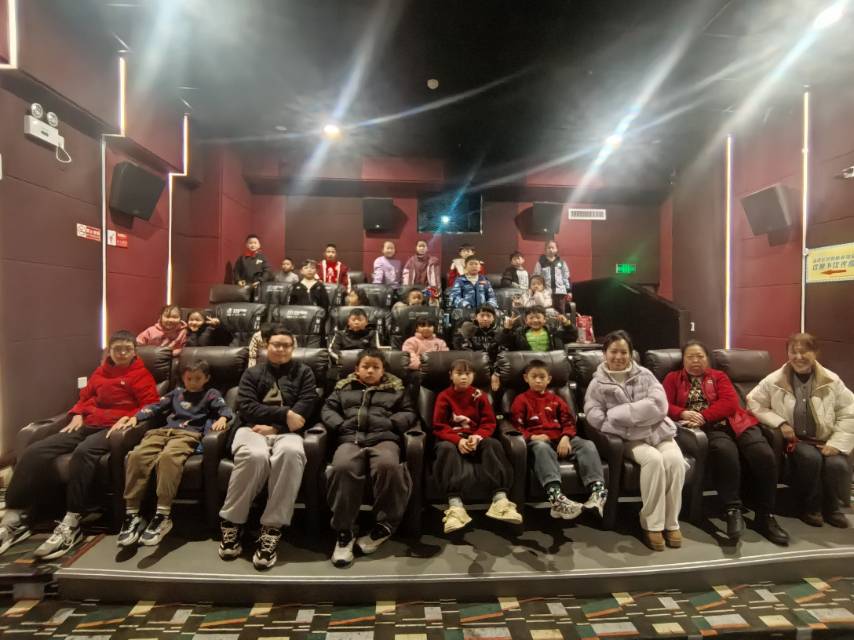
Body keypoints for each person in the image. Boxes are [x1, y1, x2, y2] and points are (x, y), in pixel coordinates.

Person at [0, 331, 158, 559]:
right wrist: (77, 414)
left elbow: (150, 404)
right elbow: (85, 397)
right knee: (35, 450)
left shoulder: (140, 374)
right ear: (109, 351)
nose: (122, 353)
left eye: (127, 349)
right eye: (117, 349)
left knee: (83, 453)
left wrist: (131, 417)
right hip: (88, 423)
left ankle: (73, 519)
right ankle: (17, 514)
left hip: (113, 428)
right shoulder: (101, 371)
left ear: (135, 351)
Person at [663, 341, 789, 544]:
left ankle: (765, 515)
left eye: (700, 356)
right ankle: (733, 509)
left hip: (738, 423)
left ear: (707, 359)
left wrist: (703, 416)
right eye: (690, 357)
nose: (695, 361)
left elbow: (730, 403)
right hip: (711, 430)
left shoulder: (719, 376)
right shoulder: (673, 378)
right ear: (683, 360)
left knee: (764, 454)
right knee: (725, 452)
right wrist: (683, 413)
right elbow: (664, 404)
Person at [218, 326, 318, 570]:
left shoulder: (304, 372)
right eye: (276, 344)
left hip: (287, 433)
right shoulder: (252, 373)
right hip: (251, 429)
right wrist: (284, 414)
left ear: (293, 348)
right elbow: (246, 407)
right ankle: (232, 522)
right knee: (254, 455)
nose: (281, 349)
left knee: (292, 453)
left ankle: (272, 527)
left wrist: (276, 427)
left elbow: (305, 406)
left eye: (286, 345)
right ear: (266, 346)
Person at [113, 360, 233, 548]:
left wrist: (223, 418)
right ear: (183, 378)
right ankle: (132, 513)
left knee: (168, 458)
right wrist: (136, 417)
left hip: (188, 434)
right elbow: (155, 406)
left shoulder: (211, 394)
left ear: (207, 378)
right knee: (136, 456)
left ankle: (162, 514)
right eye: (189, 378)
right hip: (162, 432)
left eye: (198, 378)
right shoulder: (176, 393)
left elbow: (224, 408)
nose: (193, 382)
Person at [584, 330, 686, 551]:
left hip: (658, 431)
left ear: (631, 354)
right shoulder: (597, 384)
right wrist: (637, 419)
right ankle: (652, 523)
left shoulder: (645, 375)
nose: (618, 357)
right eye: (614, 352)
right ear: (604, 353)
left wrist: (620, 414)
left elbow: (659, 405)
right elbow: (595, 416)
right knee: (654, 461)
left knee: (676, 461)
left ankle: (671, 522)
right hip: (630, 439)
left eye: (624, 352)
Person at [747, 333, 854, 529]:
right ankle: (810, 507)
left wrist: (836, 443)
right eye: (793, 352)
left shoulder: (832, 380)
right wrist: (781, 423)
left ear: (815, 353)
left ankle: (832, 507)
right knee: (810, 459)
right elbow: (753, 402)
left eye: (804, 352)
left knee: (837, 464)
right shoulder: (775, 380)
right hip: (798, 440)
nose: (798, 357)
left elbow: (849, 412)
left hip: (827, 439)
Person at [323, 348, 416, 567]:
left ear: (383, 370)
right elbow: (328, 409)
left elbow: (409, 412)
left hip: (384, 438)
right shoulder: (343, 387)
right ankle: (344, 530)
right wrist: (339, 425)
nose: (370, 371)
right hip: (350, 439)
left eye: (376, 367)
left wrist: (391, 423)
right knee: (342, 468)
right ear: (357, 369)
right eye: (365, 366)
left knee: (388, 467)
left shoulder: (396, 389)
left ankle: (385, 525)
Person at [432, 359, 522, 534]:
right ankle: (455, 507)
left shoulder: (480, 395)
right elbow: (439, 426)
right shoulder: (444, 396)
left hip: (476, 438)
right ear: (451, 375)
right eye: (459, 373)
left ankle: (500, 501)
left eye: (468, 374)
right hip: (452, 440)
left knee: (493, 444)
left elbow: (489, 423)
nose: (463, 377)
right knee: (445, 449)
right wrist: (458, 441)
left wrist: (478, 436)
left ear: (473, 376)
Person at [512, 360, 607, 519]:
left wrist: (565, 438)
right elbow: (516, 426)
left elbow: (568, 421)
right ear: (526, 378)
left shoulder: (556, 399)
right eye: (534, 377)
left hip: (561, 438)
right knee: (541, 447)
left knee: (587, 445)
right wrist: (532, 436)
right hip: (538, 440)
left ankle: (597, 494)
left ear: (549, 379)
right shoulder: (520, 400)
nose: (538, 380)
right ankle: (556, 499)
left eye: (542, 377)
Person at [453, 305, 504, 392]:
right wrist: (462, 334)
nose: (485, 318)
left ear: (493, 318)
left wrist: (496, 373)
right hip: (475, 369)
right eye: (482, 315)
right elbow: (465, 353)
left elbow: (503, 354)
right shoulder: (470, 330)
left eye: (488, 316)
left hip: (495, 370)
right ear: (476, 317)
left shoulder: (499, 332)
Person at [500, 305, 578, 351]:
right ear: (526, 321)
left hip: (551, 364)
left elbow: (572, 337)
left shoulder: (554, 332)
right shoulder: (519, 333)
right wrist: (507, 329)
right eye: (531, 318)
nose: (535, 320)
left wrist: (566, 323)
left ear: (545, 319)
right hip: (527, 365)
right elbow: (504, 343)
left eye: (538, 317)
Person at [533, 240, 571, 314]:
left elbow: (566, 277)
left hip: (560, 293)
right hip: (546, 293)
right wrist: (536, 290)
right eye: (549, 248)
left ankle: (561, 321)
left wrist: (569, 291)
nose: (551, 249)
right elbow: (536, 277)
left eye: (553, 248)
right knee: (547, 311)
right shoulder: (540, 262)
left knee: (560, 312)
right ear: (545, 250)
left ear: (557, 249)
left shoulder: (561, 262)